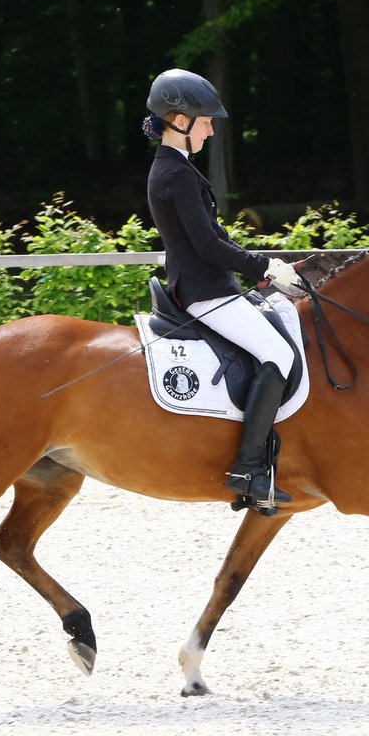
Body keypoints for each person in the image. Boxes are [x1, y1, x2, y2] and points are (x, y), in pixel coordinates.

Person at [142, 67, 304, 508]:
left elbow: (216, 238)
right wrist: (265, 267)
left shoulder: (178, 168)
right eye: (207, 120)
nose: (212, 129)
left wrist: (267, 266)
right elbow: (208, 245)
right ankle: (247, 468)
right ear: (180, 120)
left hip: (212, 285)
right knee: (280, 354)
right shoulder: (175, 174)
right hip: (205, 293)